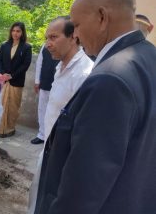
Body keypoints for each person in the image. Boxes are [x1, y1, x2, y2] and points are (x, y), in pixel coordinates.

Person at [33, 0, 156, 214]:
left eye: (77, 25)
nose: (76, 35)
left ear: (102, 17)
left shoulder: (109, 79)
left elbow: (83, 188)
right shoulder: (148, 58)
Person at [28, 16, 93, 212]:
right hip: (50, 147)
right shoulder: (60, 67)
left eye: (54, 37)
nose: (48, 44)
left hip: (64, 158)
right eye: (47, 38)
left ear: (73, 37)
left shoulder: (84, 74)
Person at [0, 22, 32, 137]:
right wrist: (3, 74)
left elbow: (25, 65)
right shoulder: (4, 45)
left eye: (18, 31)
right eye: (14, 31)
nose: (15, 33)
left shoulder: (26, 47)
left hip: (16, 82)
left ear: (22, 33)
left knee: (13, 107)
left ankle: (9, 128)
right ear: (11, 32)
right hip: (3, 81)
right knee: (0, 105)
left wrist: (12, 75)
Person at [31, 46, 59, 144]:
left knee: (55, 111)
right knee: (42, 109)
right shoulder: (45, 47)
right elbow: (39, 64)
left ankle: (52, 137)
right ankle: (42, 135)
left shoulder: (66, 46)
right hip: (45, 82)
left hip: (58, 84)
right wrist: (37, 81)